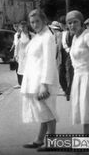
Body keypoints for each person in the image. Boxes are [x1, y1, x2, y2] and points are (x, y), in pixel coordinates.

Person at [20, 9, 59, 150]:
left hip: (43, 81)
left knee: (47, 111)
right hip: (34, 80)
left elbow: (49, 61)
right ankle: (39, 139)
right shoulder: (38, 36)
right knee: (42, 111)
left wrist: (44, 85)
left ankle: (53, 143)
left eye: (37, 21)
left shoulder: (48, 37)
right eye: (32, 22)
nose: (35, 24)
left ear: (44, 20)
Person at [13, 20, 33, 87]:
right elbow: (17, 46)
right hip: (21, 56)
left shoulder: (31, 35)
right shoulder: (18, 36)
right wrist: (15, 55)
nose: (23, 28)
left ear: (27, 27)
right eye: (22, 27)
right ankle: (22, 84)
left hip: (29, 56)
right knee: (22, 70)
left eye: (24, 27)